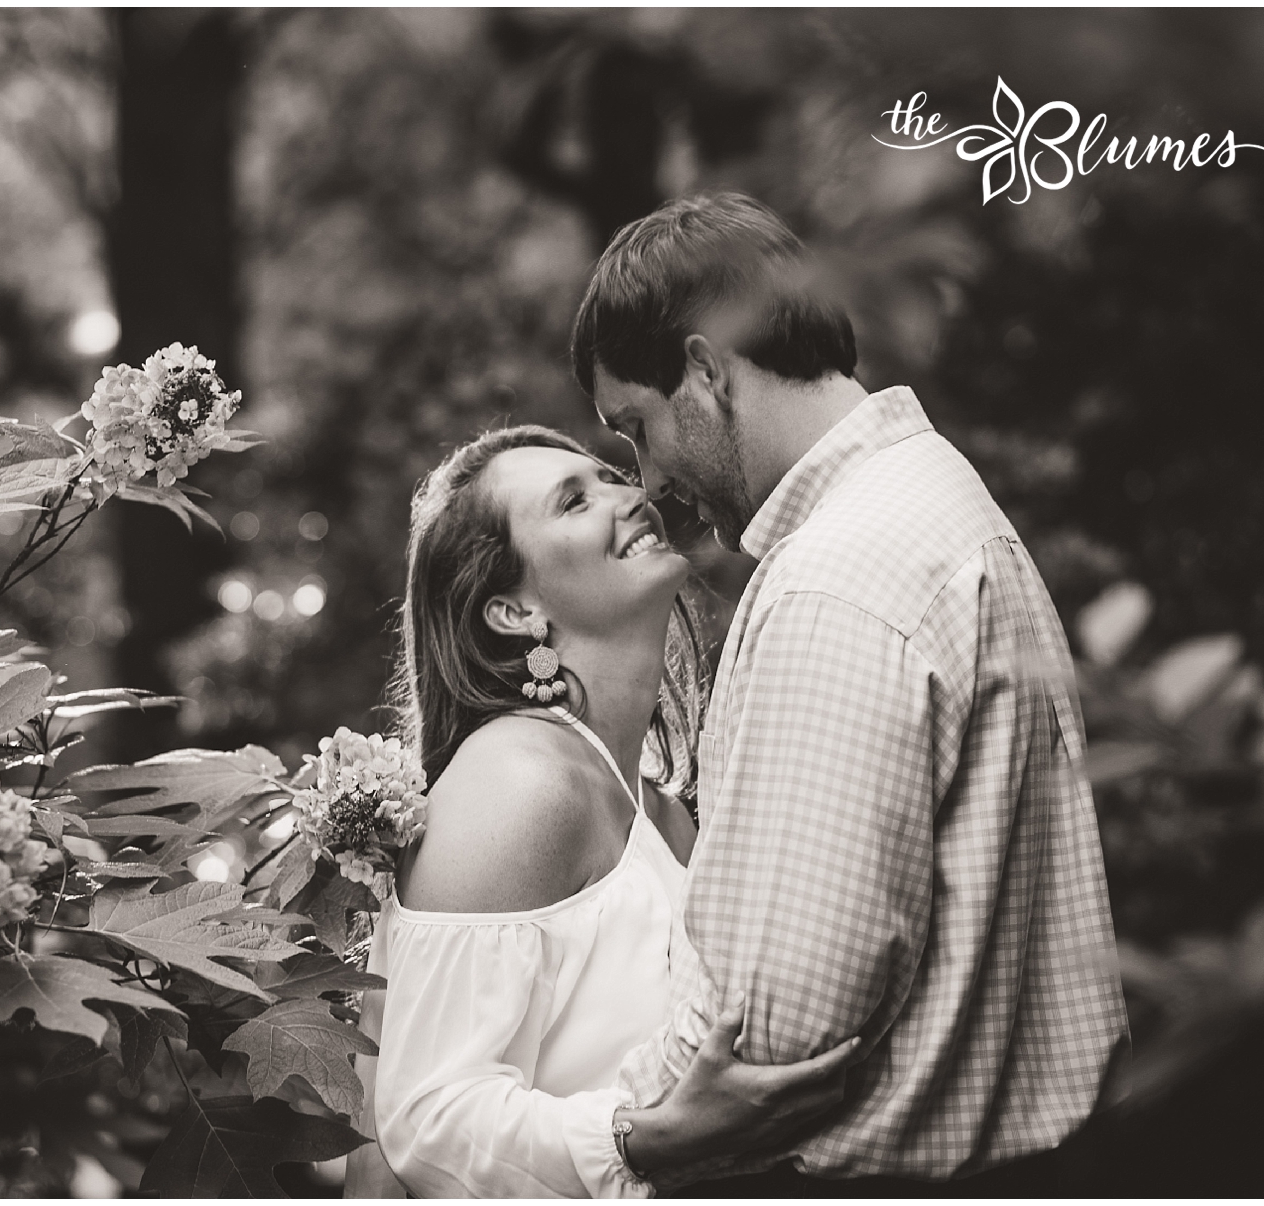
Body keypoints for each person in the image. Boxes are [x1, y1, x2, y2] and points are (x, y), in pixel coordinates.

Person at [568, 192, 1129, 1192]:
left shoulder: (836, 580)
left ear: (703, 370)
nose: (644, 480)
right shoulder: (936, 492)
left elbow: (771, 1036)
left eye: (636, 430)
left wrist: (613, 1142)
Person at [344, 426, 862, 1198]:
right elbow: (428, 1117)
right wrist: (650, 1139)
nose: (631, 498)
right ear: (513, 612)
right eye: (575, 501)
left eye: (614, 477)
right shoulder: (517, 782)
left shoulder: (656, 801)